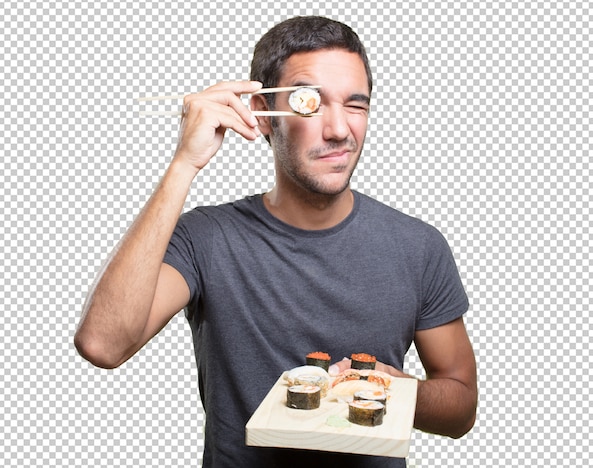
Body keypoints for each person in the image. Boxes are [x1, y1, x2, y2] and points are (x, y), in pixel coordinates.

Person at [74, 16, 477, 468]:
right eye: (310, 104)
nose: (340, 130)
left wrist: (393, 389)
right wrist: (183, 164)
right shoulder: (206, 238)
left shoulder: (418, 246)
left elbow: (460, 408)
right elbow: (103, 345)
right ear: (264, 116)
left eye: (356, 105)